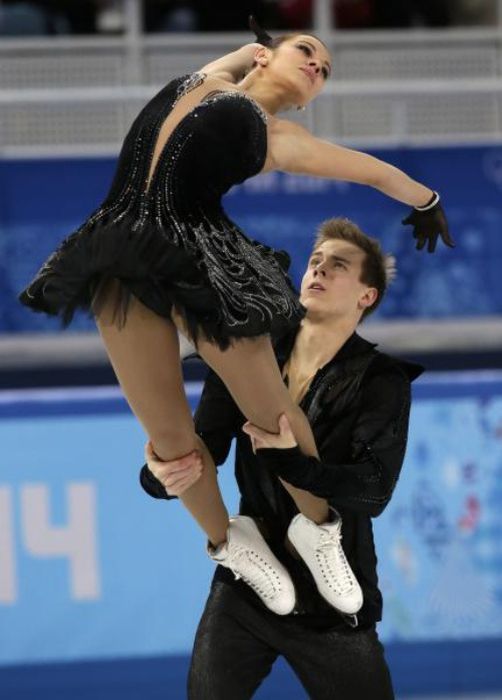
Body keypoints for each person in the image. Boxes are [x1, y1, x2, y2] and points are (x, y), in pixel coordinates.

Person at [19, 19, 450, 615]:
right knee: (169, 442)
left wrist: (425, 200)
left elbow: (372, 170)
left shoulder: (277, 137)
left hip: (200, 259)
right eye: (308, 51)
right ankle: (230, 541)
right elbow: (220, 72)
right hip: (116, 253)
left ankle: (318, 531)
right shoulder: (195, 82)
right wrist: (243, 56)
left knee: (271, 412)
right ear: (266, 54)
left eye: (323, 71)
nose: (316, 68)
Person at [142, 218, 422, 699]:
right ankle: (237, 548)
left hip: (333, 597)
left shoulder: (381, 381)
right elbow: (207, 444)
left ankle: (317, 543)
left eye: (338, 266)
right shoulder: (249, 357)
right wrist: (160, 471)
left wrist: (295, 464)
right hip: (249, 580)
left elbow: (373, 489)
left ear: (366, 296)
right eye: (315, 262)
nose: (319, 270)